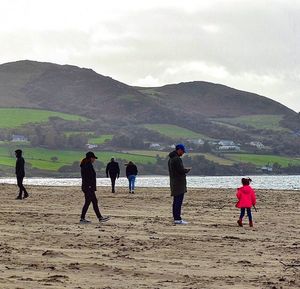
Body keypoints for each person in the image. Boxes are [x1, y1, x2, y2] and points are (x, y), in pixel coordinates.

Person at [80, 151, 110, 223]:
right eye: (93, 158)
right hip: (88, 187)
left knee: (93, 202)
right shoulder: (87, 165)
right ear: (90, 158)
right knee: (89, 202)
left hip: (87, 187)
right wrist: (90, 186)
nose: (94, 160)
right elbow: (88, 177)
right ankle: (83, 218)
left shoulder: (86, 164)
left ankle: (99, 217)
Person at [168, 144, 190, 225]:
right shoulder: (177, 159)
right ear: (179, 150)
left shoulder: (171, 159)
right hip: (178, 183)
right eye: (183, 151)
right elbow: (180, 170)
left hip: (174, 182)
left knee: (175, 201)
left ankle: (176, 218)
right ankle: (177, 219)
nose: (183, 153)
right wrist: (186, 170)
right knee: (178, 201)